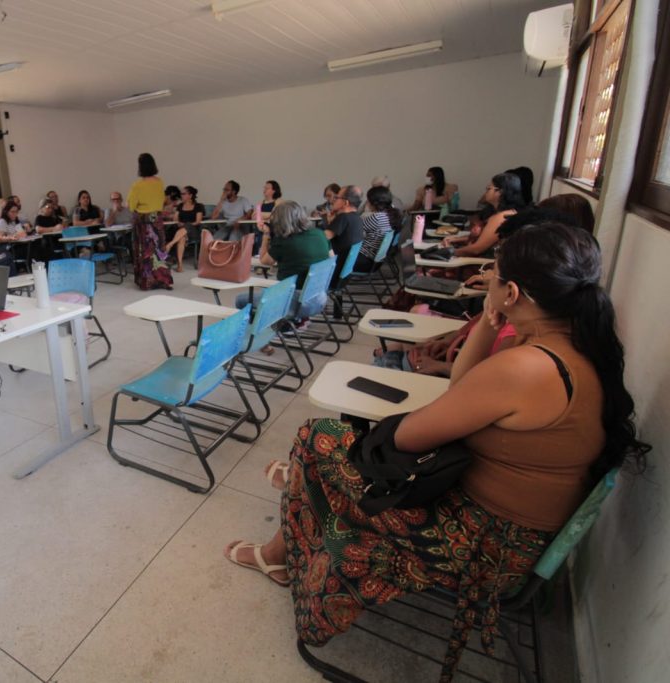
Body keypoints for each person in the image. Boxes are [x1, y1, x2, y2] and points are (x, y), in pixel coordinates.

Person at [225, 222, 650, 678]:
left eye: (492, 276)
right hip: (511, 535)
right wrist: (487, 323)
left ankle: (281, 554)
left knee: (317, 438)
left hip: (479, 543)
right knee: (324, 452)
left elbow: (410, 438)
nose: (486, 281)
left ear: (512, 293)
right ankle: (285, 538)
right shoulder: (572, 348)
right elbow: (464, 387)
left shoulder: (526, 367)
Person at [235, 200, 330, 343]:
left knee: (241, 300)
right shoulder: (319, 234)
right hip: (319, 296)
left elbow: (264, 260)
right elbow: (331, 258)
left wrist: (266, 235)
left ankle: (266, 333)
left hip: (296, 302)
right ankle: (293, 321)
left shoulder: (284, 241)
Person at [446, 172, 525, 257]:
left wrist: (449, 252)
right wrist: (456, 239)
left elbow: (476, 249)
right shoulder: (505, 212)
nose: (486, 192)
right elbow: (486, 239)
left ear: (500, 192)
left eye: (488, 188)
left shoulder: (501, 217)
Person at [127, 152, 174, 290]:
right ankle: (163, 280)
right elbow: (161, 201)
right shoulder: (159, 182)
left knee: (145, 252)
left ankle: (147, 281)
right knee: (159, 250)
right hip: (157, 220)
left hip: (143, 222)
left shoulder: (137, 185)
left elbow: (131, 206)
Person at [323, 185, 364, 312]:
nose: (333, 200)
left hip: (333, 273)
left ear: (345, 202)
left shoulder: (343, 217)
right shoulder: (357, 218)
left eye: (337, 197)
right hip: (344, 273)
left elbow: (323, 238)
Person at [354, 186, 401, 272]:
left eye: (368, 200)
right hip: (375, 260)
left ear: (373, 202)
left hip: (365, 260)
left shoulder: (377, 217)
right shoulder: (392, 214)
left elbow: (355, 228)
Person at [164, 185, 204, 272]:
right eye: (181, 194)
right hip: (181, 231)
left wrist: (185, 225)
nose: (181, 196)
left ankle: (170, 244)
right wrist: (178, 222)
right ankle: (180, 265)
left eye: (183, 194)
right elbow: (175, 218)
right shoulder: (180, 206)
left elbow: (198, 221)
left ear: (190, 195)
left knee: (188, 226)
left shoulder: (198, 206)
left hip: (193, 231)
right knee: (181, 238)